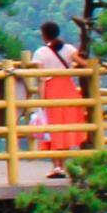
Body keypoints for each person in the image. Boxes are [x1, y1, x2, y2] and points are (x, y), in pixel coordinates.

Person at [28, 21, 88, 157]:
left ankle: (57, 166)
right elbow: (84, 64)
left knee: (53, 127)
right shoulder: (69, 49)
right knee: (66, 127)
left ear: (44, 35)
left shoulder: (40, 53)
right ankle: (65, 164)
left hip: (52, 89)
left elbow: (41, 78)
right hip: (68, 88)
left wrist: (41, 99)